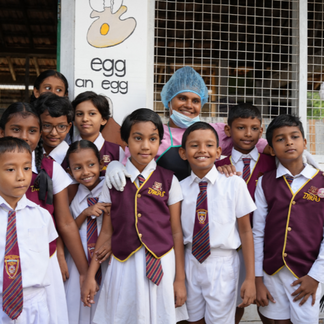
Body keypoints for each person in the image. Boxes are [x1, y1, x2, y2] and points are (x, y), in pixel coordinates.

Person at [81, 108, 188, 324]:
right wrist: (91, 275)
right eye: (138, 138)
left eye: (152, 139)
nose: (145, 146)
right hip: (124, 264)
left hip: (160, 262)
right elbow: (106, 232)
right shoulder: (112, 181)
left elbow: (176, 232)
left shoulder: (169, 180)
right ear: (126, 142)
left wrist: (179, 279)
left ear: (160, 142)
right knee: (124, 315)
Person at [106, 66, 268, 191]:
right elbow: (131, 164)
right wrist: (116, 165)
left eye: (195, 101)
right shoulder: (155, 134)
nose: (189, 105)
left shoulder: (214, 131)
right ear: (169, 101)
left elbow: (255, 143)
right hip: (165, 204)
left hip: (207, 203)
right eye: (182, 98)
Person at [0, 102, 88, 324]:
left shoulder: (50, 168)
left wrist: (83, 271)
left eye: (32, 131)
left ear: (40, 134)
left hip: (42, 263)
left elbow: (64, 222)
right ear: (2, 132)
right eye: (16, 129)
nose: (25, 137)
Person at [179, 122, 256, 323]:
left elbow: (247, 232)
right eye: (194, 145)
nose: (202, 150)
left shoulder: (234, 183)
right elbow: (176, 235)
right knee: (193, 319)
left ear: (219, 151)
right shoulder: (178, 189)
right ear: (183, 153)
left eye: (209, 145)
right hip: (190, 261)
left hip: (223, 263)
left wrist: (250, 277)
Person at [253, 114, 324, 324]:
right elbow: (258, 232)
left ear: (304, 142)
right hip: (272, 272)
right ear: (272, 149)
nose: (289, 142)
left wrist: (316, 276)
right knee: (275, 321)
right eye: (280, 139)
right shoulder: (264, 183)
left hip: (307, 273)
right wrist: (258, 279)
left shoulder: (321, 181)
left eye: (294, 136)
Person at [215, 103, 276, 324]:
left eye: (254, 128)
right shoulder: (217, 166)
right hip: (231, 247)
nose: (248, 133)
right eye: (241, 127)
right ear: (228, 130)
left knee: (268, 304)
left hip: (265, 245)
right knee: (233, 304)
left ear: (261, 131)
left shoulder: (274, 163)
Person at [0, 137, 57, 323]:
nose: (21, 176)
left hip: (35, 303)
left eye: (26, 168)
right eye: (10, 169)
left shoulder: (42, 216)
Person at [64, 140, 110, 324]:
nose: (86, 172)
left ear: (100, 164)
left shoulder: (110, 187)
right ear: (70, 171)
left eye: (91, 165)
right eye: (78, 167)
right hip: (79, 261)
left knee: (105, 305)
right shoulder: (72, 194)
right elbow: (69, 231)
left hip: (104, 259)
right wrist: (84, 213)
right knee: (78, 306)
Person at [70, 91, 125, 175]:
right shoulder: (67, 150)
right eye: (79, 114)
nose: (85, 119)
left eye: (92, 114)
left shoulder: (116, 151)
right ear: (74, 120)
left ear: (103, 119)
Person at [33, 92, 73, 164]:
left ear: (68, 127)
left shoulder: (73, 158)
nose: (53, 133)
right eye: (47, 126)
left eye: (61, 126)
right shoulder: (30, 155)